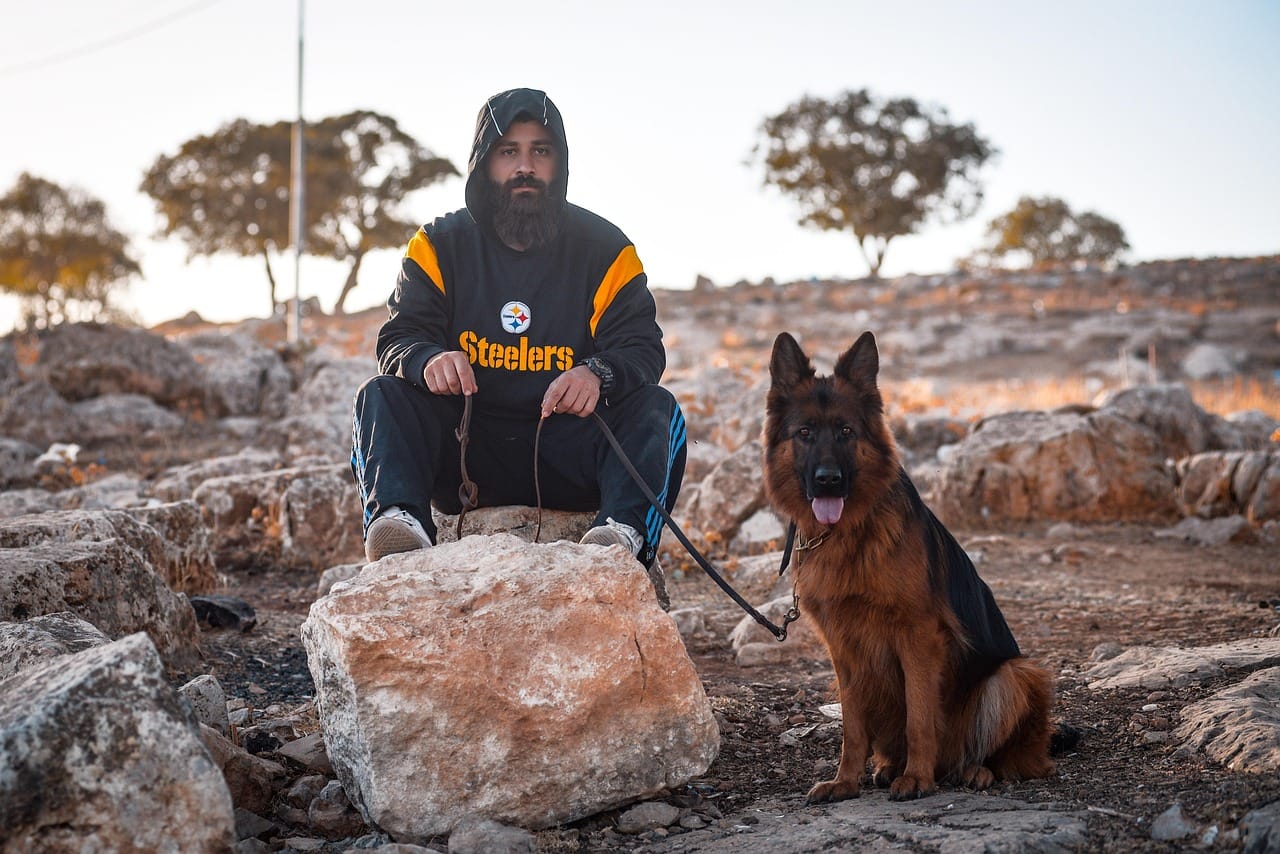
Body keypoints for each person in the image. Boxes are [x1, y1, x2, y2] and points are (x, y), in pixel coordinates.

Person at [350, 87, 685, 606]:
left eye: (541, 151)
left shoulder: (607, 249)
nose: (525, 166)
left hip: (568, 454)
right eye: (509, 151)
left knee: (658, 410)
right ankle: (400, 524)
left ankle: (619, 539)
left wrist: (597, 372)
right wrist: (428, 358)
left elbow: (642, 348)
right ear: (484, 163)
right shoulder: (437, 245)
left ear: (560, 161)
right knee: (381, 395)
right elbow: (398, 338)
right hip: (465, 458)